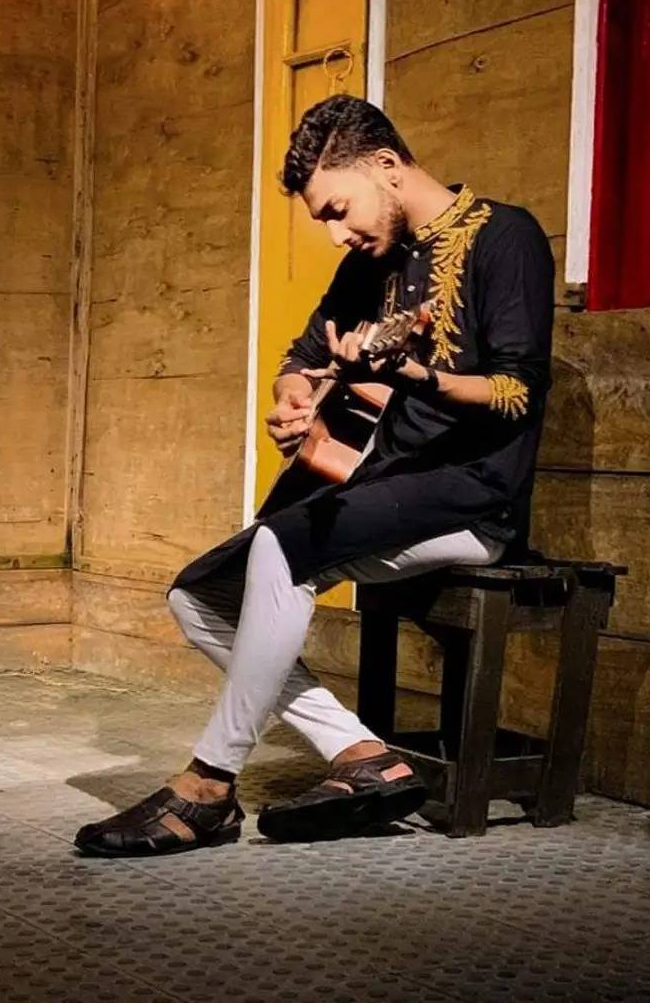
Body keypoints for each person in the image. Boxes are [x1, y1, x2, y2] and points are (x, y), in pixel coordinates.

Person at [74, 94, 554, 857]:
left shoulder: (507, 237)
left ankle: (209, 785)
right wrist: (292, 399)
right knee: (197, 596)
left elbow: (519, 393)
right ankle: (362, 755)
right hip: (379, 487)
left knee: (280, 549)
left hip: (473, 495)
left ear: (387, 167)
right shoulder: (370, 261)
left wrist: (417, 375)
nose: (337, 234)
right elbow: (301, 358)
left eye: (338, 210)